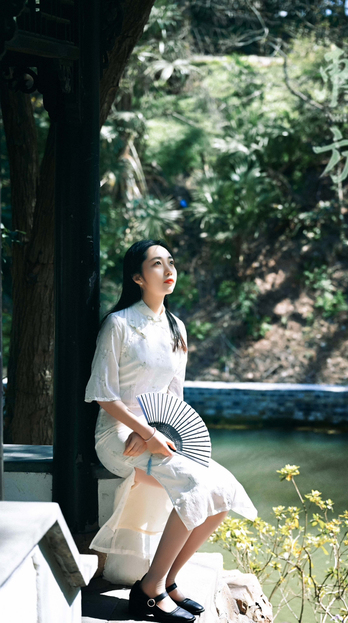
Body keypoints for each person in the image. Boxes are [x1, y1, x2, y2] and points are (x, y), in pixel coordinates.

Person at [84, 239, 257, 623]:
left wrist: (158, 432)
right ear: (137, 277)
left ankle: (168, 579)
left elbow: (173, 399)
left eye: (171, 262)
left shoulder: (177, 328)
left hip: (159, 432)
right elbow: (102, 395)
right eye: (157, 264)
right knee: (194, 484)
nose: (168, 270)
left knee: (223, 489)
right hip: (118, 436)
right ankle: (149, 588)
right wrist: (144, 432)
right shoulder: (119, 324)